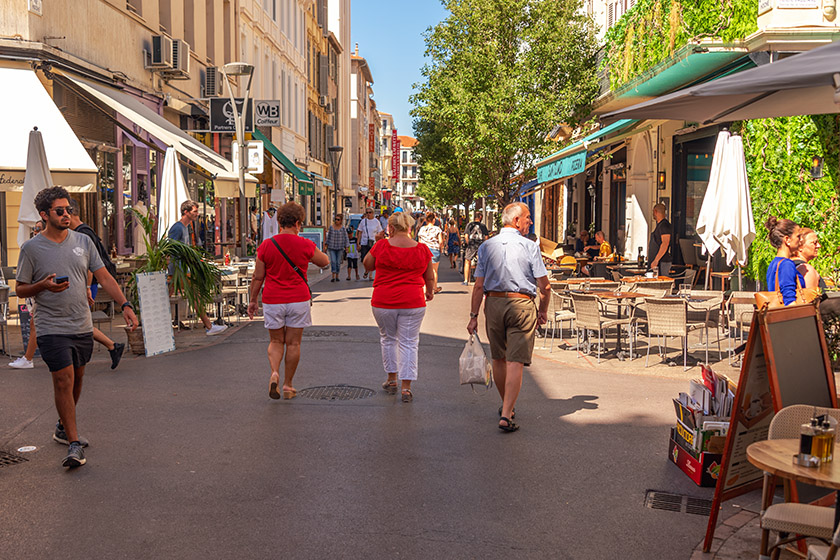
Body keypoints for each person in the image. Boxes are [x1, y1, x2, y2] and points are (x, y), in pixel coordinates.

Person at [16, 186, 138, 468]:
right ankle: (73, 444)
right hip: (50, 325)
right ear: (45, 215)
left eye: (69, 209)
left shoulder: (83, 241)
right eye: (60, 211)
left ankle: (62, 426)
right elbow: (21, 289)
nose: (67, 214)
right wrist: (42, 286)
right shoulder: (31, 248)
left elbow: (104, 276)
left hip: (81, 322)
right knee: (63, 379)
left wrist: (126, 305)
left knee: (78, 379)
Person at [466, 203, 550, 433]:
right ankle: (506, 412)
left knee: (499, 358)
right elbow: (545, 286)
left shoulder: (486, 246)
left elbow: (479, 285)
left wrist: (473, 316)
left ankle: (507, 407)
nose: (530, 222)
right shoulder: (529, 246)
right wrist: (543, 309)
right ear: (516, 221)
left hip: (493, 303)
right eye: (527, 218)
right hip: (521, 303)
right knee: (516, 361)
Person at [247, 202, 329, 400]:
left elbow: (258, 277)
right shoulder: (305, 244)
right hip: (298, 299)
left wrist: (252, 301)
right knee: (293, 343)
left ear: (279, 221)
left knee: (276, 341)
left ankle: (274, 372)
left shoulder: (267, 245)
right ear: (298, 223)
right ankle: (288, 385)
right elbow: (325, 262)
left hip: (273, 299)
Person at [363, 212, 434, 403]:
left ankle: (391, 379)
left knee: (388, 339)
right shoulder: (422, 249)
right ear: (409, 228)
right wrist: (430, 291)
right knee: (409, 342)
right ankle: (406, 387)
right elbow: (429, 276)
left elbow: (368, 265)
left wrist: (376, 243)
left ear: (390, 228)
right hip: (413, 301)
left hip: (383, 301)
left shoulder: (382, 246)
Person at [67, 199, 126, 369]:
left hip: (89, 282)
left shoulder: (83, 234)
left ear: (71, 213)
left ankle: (111, 346)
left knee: (79, 320)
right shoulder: (84, 230)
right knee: (79, 320)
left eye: (64, 212)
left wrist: (86, 287)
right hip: (88, 283)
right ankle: (112, 346)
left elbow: (90, 266)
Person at [169, 200, 228, 335]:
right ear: (186, 212)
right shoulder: (178, 228)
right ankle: (209, 326)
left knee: (189, 296)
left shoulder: (185, 228)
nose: (197, 214)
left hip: (182, 270)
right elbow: (170, 248)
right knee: (195, 296)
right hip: (179, 270)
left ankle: (209, 326)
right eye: (195, 211)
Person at [765, 216, 804, 305]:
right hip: (792, 316)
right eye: (798, 236)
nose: (801, 240)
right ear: (787, 240)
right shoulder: (787, 264)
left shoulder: (774, 263)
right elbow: (789, 300)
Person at [418, 211, 445, 294]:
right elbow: (440, 241)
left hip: (424, 251)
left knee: (424, 270)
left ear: (426, 220)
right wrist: (441, 248)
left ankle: (425, 288)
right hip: (434, 250)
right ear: (434, 220)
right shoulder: (437, 229)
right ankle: (434, 288)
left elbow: (419, 241)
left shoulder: (422, 229)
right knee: (434, 271)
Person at [463, 212, 489, 286]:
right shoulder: (483, 226)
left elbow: (466, 236)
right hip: (480, 245)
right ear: (480, 217)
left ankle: (466, 280)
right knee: (480, 262)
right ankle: (478, 279)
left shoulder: (469, 225)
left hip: (471, 245)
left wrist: (468, 244)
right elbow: (486, 237)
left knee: (467, 261)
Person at [357, 208, 383, 280]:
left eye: (370, 212)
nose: (368, 214)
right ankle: (366, 270)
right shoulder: (363, 221)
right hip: (364, 242)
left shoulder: (376, 222)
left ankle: (370, 274)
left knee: (372, 259)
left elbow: (379, 232)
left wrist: (379, 241)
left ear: (373, 213)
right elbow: (360, 232)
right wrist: (358, 243)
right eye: (367, 212)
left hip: (373, 243)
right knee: (364, 259)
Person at [648, 203, 673, 276]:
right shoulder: (659, 225)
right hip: (657, 262)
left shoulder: (664, 226)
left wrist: (656, 260)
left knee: (662, 284)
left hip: (662, 263)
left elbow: (665, 243)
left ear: (655, 211)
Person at [325, 214, 350, 283]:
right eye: (335, 219)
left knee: (338, 262)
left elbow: (346, 238)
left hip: (340, 247)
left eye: (338, 219)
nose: (336, 221)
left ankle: (337, 275)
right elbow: (328, 237)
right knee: (333, 261)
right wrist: (326, 245)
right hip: (332, 247)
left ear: (341, 220)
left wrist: (347, 247)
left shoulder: (343, 229)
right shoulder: (331, 227)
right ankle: (333, 275)